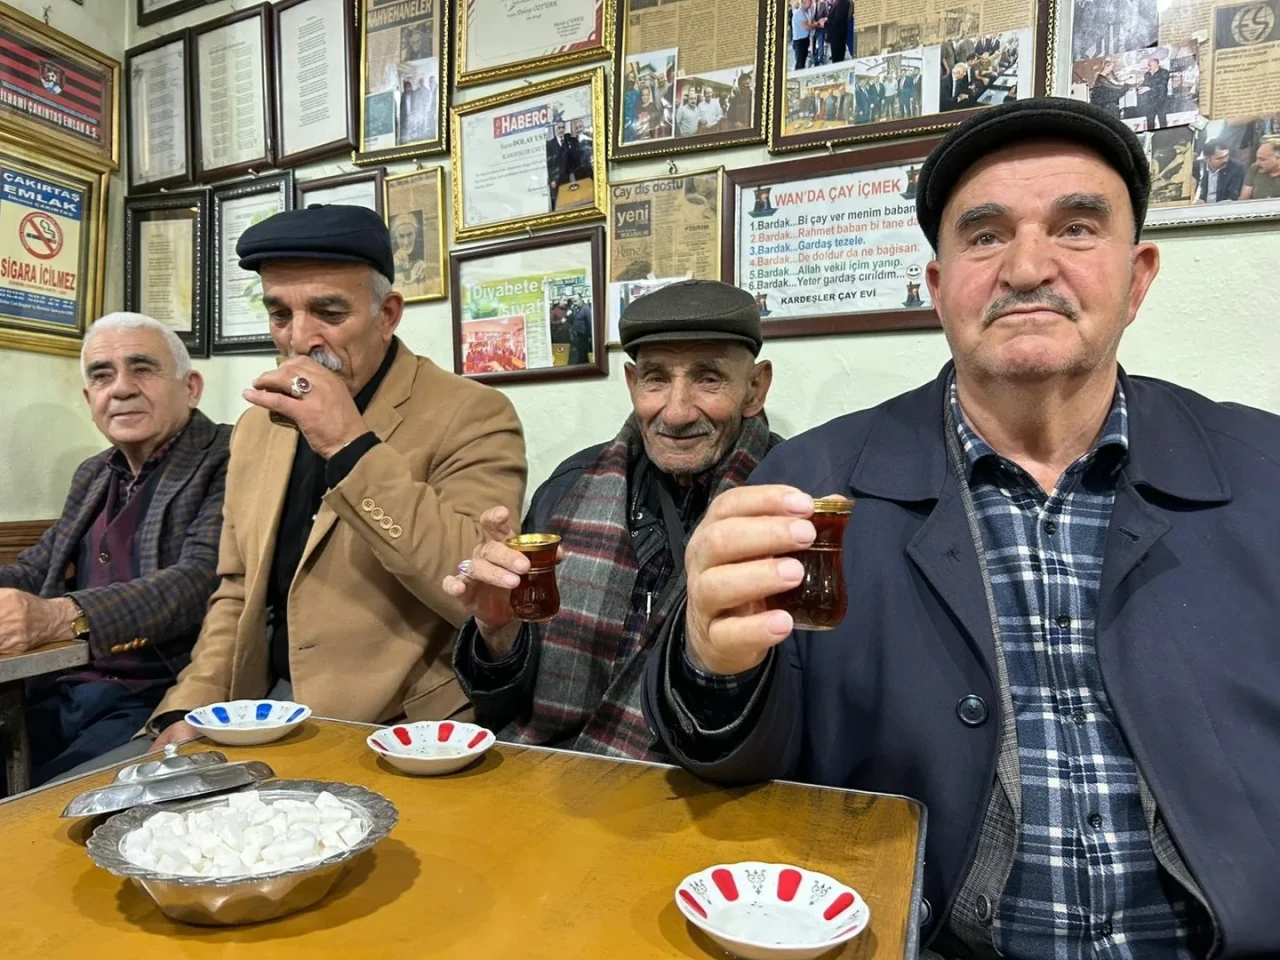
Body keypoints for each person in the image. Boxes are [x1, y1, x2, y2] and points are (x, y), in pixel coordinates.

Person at [646, 98, 1280, 957]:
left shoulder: (1263, 471)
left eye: (1077, 228)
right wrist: (709, 665)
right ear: (938, 289)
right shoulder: (812, 483)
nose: (1027, 267)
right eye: (984, 236)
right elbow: (729, 762)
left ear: (1138, 278)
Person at [141, 206, 527, 751]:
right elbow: (237, 590)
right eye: (280, 314)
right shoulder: (256, 427)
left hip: (397, 728)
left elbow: (471, 591)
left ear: (387, 314)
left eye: (328, 312)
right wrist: (192, 705)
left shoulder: (474, 413)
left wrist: (349, 445)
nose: (299, 340)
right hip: (262, 711)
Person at [446, 281, 780, 760]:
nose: (676, 412)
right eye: (656, 379)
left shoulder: (791, 506)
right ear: (631, 383)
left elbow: (799, 720)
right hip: (544, 774)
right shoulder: (568, 488)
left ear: (755, 388)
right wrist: (498, 633)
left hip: (702, 785)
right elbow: (501, 705)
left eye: (708, 379)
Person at [0, 314, 230, 787]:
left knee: (40, 808)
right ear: (90, 400)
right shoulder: (94, 472)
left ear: (191, 388)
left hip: (158, 697)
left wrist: (60, 617)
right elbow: (34, 569)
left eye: (142, 369)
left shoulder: (230, 455)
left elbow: (200, 578)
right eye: (103, 376)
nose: (121, 388)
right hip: (61, 689)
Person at [546, 121, 578, 211]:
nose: (561, 130)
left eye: (563, 127)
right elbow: (549, 164)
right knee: (558, 202)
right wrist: (552, 179)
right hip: (556, 179)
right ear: (556, 129)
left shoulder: (568, 142)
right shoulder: (550, 144)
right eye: (559, 128)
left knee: (569, 200)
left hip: (567, 177)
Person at [1139, 56, 1169, 130]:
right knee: (1150, 121)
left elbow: (1162, 86)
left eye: (1150, 65)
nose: (1149, 66)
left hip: (1160, 100)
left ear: (1156, 64)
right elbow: (1145, 84)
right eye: (1148, 65)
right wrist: (1140, 88)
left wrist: (1149, 88)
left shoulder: (1164, 72)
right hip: (1150, 101)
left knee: (1162, 120)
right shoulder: (1147, 74)